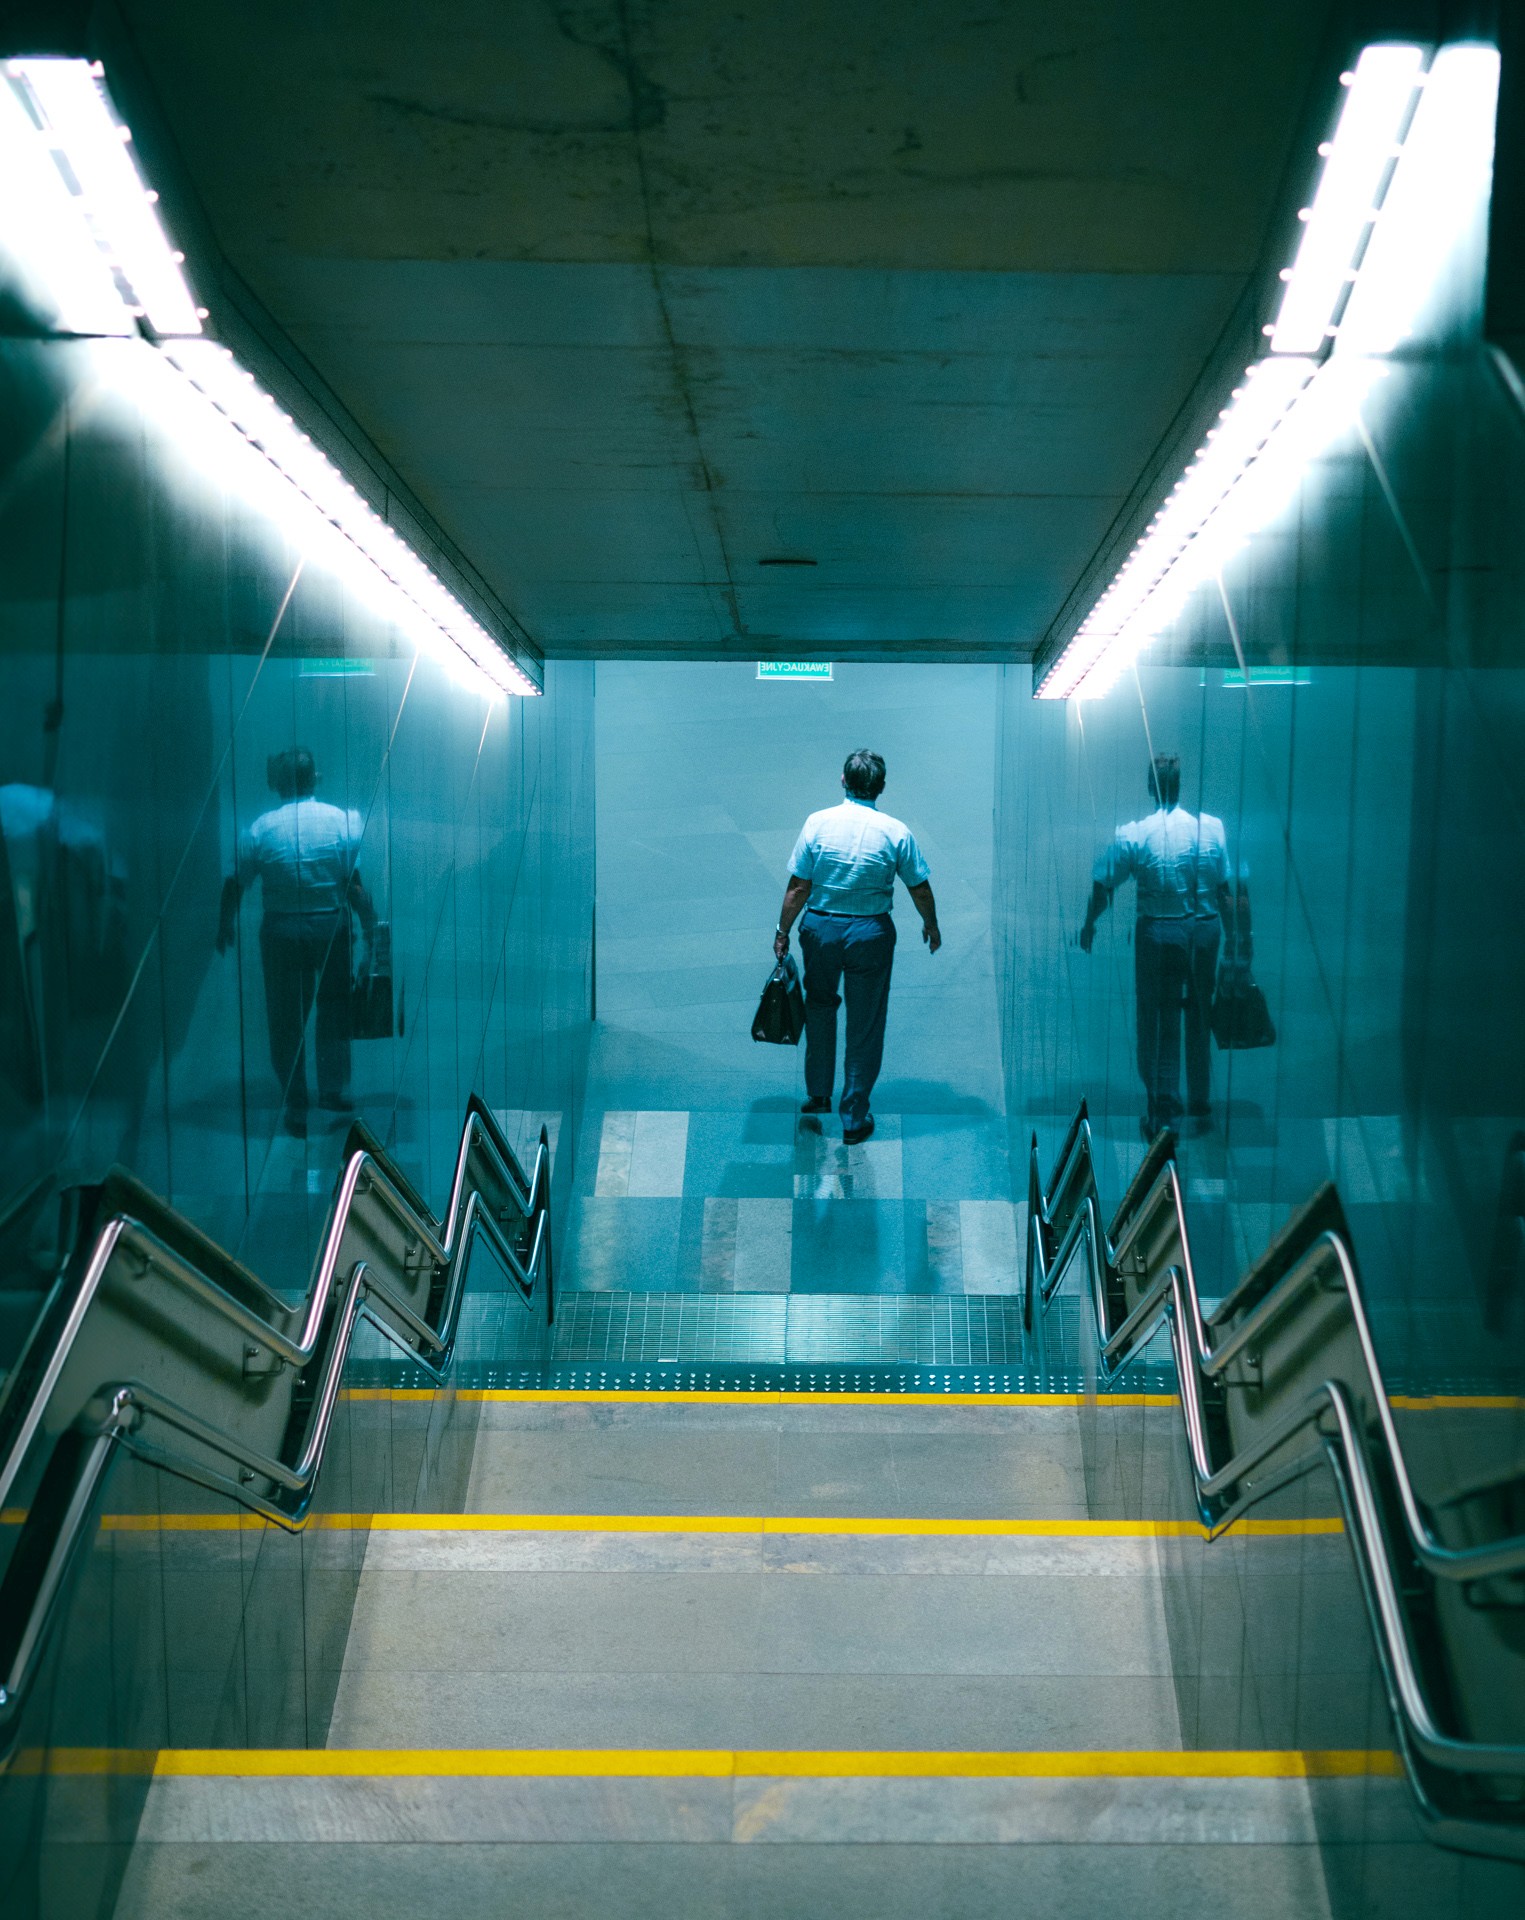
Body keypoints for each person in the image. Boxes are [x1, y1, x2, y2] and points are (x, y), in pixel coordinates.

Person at [774, 749, 940, 1145]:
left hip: (821, 929)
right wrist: (930, 924)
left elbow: (798, 887)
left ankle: (818, 1093)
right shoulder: (896, 832)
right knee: (865, 1023)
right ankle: (853, 1117)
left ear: (844, 781)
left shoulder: (817, 823)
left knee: (819, 1007)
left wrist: (782, 931)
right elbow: (919, 887)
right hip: (870, 933)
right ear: (881, 787)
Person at [217, 748, 375, 1138]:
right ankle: (332, 1090)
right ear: (313, 779)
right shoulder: (341, 821)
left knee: (285, 1018)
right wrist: (370, 928)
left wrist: (224, 923)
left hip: (281, 931)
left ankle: (296, 1099)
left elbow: (235, 882)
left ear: (279, 785)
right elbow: (353, 885)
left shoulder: (261, 829)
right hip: (330, 926)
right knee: (334, 1010)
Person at [1079, 753, 1236, 1142]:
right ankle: (1199, 1100)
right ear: (1179, 786)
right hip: (1204, 931)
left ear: (1151, 787)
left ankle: (1164, 1114)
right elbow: (1225, 891)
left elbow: (1104, 884)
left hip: (1160, 934)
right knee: (1198, 1015)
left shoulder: (1135, 834)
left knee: (1160, 1022)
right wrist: (1237, 941)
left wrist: (1089, 924)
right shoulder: (1211, 829)